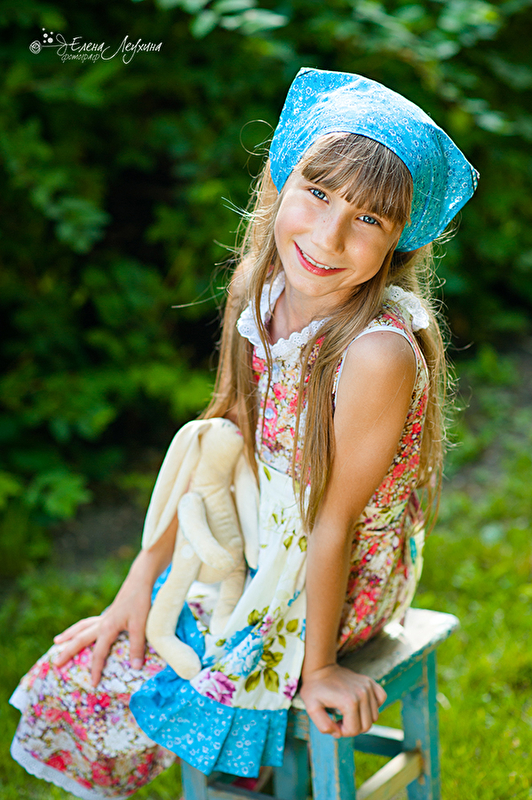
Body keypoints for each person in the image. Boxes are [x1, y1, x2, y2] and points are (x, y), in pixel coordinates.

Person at [9, 67, 478, 799]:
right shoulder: (257, 288)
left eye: (368, 220)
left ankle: (249, 768)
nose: (328, 235)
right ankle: (248, 765)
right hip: (264, 526)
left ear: (399, 242)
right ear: (279, 183)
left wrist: (319, 667)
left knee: (183, 668)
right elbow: (218, 443)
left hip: (346, 572)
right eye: (317, 193)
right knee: (96, 663)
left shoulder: (376, 353)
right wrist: (143, 579)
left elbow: (334, 521)